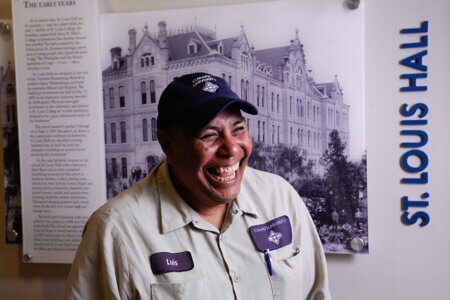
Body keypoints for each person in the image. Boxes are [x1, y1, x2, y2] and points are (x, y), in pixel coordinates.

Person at [64, 72, 331, 299]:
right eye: (209, 136)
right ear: (167, 144)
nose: (231, 149)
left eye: (238, 130)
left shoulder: (280, 197)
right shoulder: (115, 229)